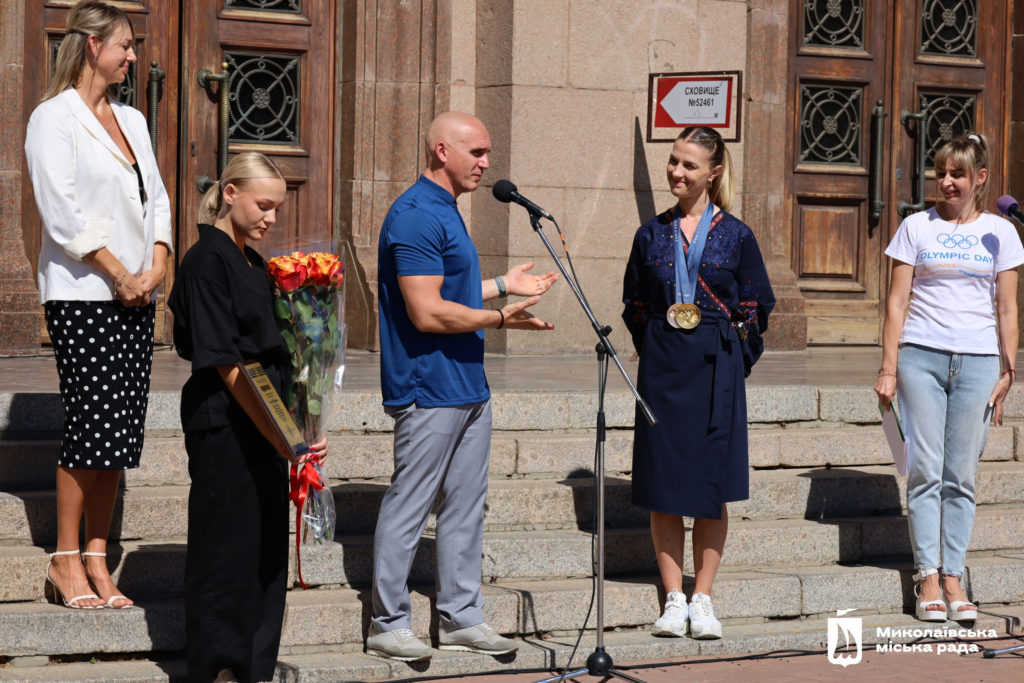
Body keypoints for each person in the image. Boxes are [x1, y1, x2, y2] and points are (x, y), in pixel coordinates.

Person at [367, 111, 559, 661]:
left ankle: (460, 617)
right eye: (476, 152)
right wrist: (501, 319)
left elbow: (447, 286)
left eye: (488, 153)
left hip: (467, 383)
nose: (486, 163)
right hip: (429, 385)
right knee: (412, 502)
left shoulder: (445, 211)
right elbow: (426, 312)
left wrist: (501, 286)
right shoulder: (414, 216)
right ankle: (388, 621)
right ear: (440, 151)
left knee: (466, 506)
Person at [23, 0, 172, 611]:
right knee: (91, 422)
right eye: (125, 45)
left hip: (137, 292)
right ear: (91, 45)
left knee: (121, 430)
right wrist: (118, 273)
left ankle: (97, 555)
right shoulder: (51, 119)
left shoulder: (132, 119)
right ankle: (64, 559)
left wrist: (158, 262)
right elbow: (61, 214)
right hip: (84, 292)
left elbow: (157, 195)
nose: (133, 55)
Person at [168, 152, 327, 682]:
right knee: (225, 551)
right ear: (230, 193)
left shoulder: (254, 262)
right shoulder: (204, 261)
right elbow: (227, 365)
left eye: (278, 209)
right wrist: (283, 438)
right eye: (264, 205)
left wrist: (301, 430)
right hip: (227, 424)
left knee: (262, 550)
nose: (271, 219)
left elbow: (283, 353)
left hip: (265, 422)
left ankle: (253, 664)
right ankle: (218, 667)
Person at [622, 126, 774, 640]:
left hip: (716, 369)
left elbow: (756, 305)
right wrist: (657, 347)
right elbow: (635, 304)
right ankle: (672, 598)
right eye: (671, 162)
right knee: (665, 487)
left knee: (712, 487)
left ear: (713, 172)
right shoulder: (650, 233)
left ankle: (703, 597)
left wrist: (734, 357)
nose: (676, 172)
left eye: (688, 165)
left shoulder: (737, 234)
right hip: (664, 367)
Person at [874, 134, 1022, 623]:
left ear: (980, 178)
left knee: (961, 475)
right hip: (921, 357)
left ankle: (954, 575)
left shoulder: (1001, 233)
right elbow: (896, 302)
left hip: (979, 361)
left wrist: (1008, 368)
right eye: (941, 172)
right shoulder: (916, 226)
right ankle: (928, 577)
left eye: (957, 174)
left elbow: (1007, 306)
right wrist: (889, 368)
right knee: (926, 470)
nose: (947, 182)